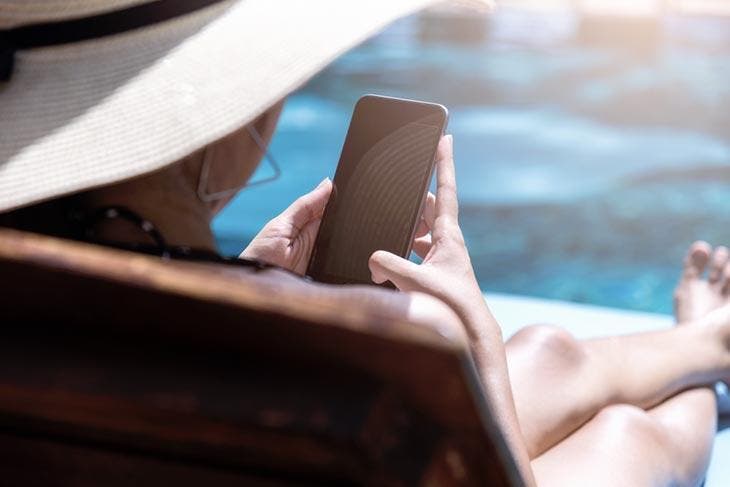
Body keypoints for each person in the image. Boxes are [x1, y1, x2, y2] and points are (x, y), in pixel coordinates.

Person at [0, 1, 727, 485]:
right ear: (216, 125)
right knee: (628, 437)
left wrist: (242, 282)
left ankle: (702, 345)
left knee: (545, 349)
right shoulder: (397, 340)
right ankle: (708, 352)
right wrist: (468, 333)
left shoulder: (38, 295)